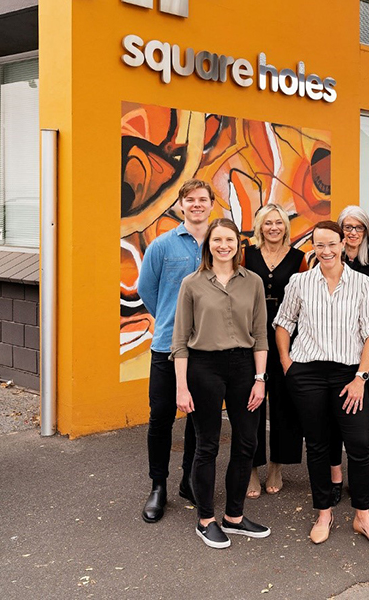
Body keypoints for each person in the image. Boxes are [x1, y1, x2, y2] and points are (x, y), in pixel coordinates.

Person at [274, 220, 369, 547]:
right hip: (307, 374)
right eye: (319, 245)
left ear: (343, 244)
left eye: (332, 244)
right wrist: (287, 364)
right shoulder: (300, 282)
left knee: (358, 445)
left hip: (349, 375)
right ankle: (324, 512)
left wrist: (361, 378)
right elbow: (283, 323)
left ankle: (362, 517)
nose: (326, 251)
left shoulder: (362, 283)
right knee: (319, 445)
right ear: (313, 246)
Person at [172, 218, 271, 549]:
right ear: (209, 245)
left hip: (244, 367)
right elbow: (180, 340)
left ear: (238, 245)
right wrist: (181, 387)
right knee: (208, 445)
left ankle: (234, 516)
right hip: (204, 368)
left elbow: (260, 335)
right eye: (217, 240)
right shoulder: (192, 284)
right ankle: (205, 520)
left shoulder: (253, 282)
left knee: (247, 443)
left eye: (230, 239)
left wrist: (260, 379)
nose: (224, 245)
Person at [136, 178, 212, 523]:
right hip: (167, 347)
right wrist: (170, 320)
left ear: (212, 204)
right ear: (181, 205)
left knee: (199, 421)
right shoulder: (162, 246)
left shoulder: (221, 244)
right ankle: (158, 486)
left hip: (207, 350)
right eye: (190, 199)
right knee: (161, 418)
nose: (196, 204)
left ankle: (189, 482)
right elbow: (147, 291)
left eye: (203, 199)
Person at [243, 203, 308, 498]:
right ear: (260, 227)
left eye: (278, 223)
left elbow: (306, 301)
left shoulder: (299, 258)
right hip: (251, 333)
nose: (273, 228)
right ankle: (252, 469)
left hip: (287, 335)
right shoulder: (247, 254)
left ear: (285, 227)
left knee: (285, 404)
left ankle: (276, 466)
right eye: (267, 223)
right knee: (251, 402)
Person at [333, 205, 369, 506]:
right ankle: (335, 477)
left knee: (358, 420)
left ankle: (357, 476)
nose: (352, 233)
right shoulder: (327, 260)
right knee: (332, 421)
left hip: (363, 352)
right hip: (332, 351)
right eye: (347, 227)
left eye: (358, 228)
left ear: (366, 232)